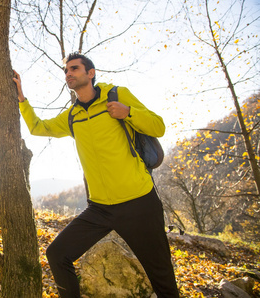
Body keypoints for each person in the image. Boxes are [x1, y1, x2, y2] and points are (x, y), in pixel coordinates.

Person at [12, 52, 180, 298]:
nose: (68, 73)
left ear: (90, 73)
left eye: (74, 69)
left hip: (139, 202)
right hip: (100, 209)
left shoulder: (117, 95)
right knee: (57, 254)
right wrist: (22, 99)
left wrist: (128, 112)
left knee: (162, 278)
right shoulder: (72, 116)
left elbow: (158, 126)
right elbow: (39, 127)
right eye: (66, 70)